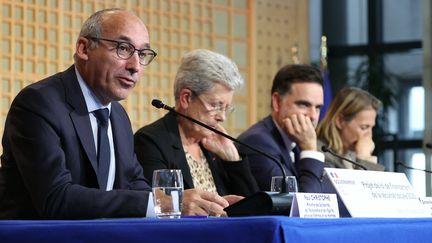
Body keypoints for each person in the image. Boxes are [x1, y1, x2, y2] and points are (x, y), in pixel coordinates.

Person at [0, 8, 229, 219]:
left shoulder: (118, 116)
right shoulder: (38, 103)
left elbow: (135, 186)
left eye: (142, 54)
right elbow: (56, 198)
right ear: (84, 48)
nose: (135, 66)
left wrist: (206, 205)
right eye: (123, 48)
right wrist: (167, 203)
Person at [134, 49, 259, 213]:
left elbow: (256, 210)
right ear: (186, 98)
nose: (222, 117)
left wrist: (233, 159)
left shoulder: (215, 145)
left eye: (226, 108)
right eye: (215, 105)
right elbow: (159, 209)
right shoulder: (151, 142)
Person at [237, 64, 326, 192]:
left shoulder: (295, 142)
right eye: (303, 104)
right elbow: (303, 206)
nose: (313, 116)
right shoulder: (257, 143)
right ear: (277, 102)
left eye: (318, 108)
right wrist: (310, 149)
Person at [316, 86, 385, 171]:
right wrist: (364, 158)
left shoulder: (351, 155)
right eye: (364, 127)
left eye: (371, 128)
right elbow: (363, 184)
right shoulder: (319, 153)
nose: (369, 135)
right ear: (340, 121)